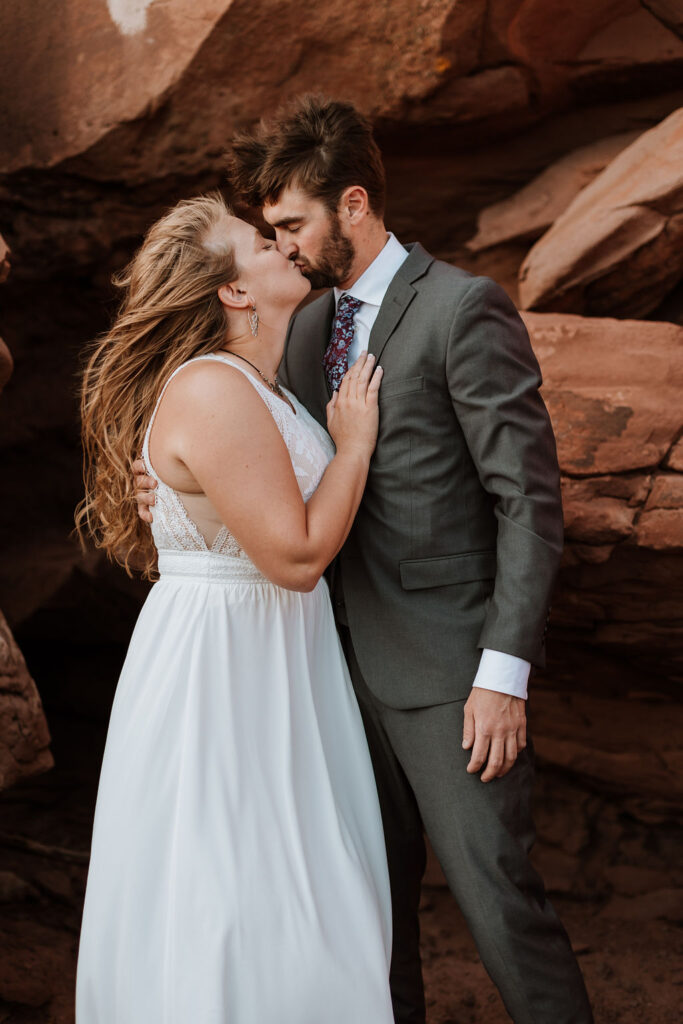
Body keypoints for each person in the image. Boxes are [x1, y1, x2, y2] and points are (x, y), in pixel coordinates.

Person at [137, 97, 594, 1023]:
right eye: (269, 234)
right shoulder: (300, 330)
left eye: (294, 224)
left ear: (353, 203)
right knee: (365, 919)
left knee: (500, 902)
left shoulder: (464, 308)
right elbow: (264, 465)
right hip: (318, 680)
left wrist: (501, 674)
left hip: (444, 680)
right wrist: (177, 501)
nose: (287, 247)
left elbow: (527, 504)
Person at [75, 192, 394, 1023]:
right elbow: (292, 557)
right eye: (261, 242)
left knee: (301, 886)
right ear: (235, 292)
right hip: (225, 668)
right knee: (233, 896)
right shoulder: (215, 388)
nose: (283, 245)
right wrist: (354, 446)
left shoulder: (271, 389)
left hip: (280, 653)